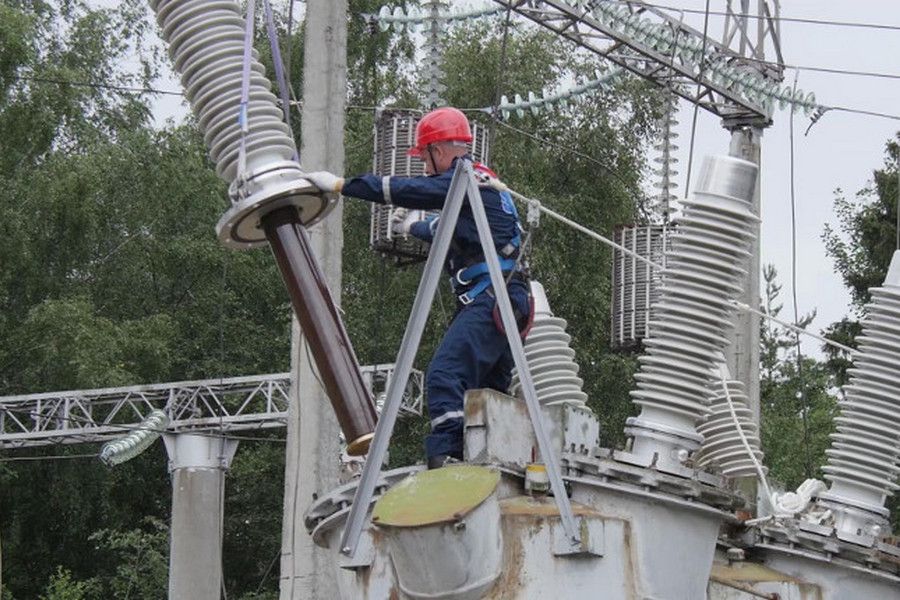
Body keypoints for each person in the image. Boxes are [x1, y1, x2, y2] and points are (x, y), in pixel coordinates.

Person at [304, 107, 531, 469]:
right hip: (505, 302)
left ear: (438, 151)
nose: (425, 168)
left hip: (492, 299)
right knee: (485, 392)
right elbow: (451, 230)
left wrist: (343, 185)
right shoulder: (482, 187)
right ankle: (497, 460)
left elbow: (409, 189)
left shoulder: (465, 178)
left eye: (425, 159)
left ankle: (448, 457)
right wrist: (411, 226)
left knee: (445, 374)